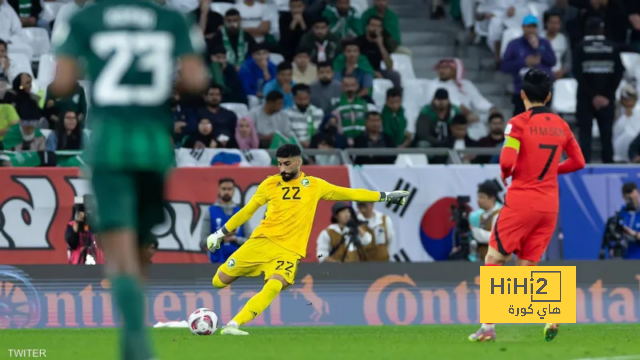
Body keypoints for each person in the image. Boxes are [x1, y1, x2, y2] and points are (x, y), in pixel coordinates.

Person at [51, 1, 208, 359]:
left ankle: (134, 337)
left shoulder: (86, 18)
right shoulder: (173, 19)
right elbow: (197, 80)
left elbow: (60, 83)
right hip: (154, 145)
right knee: (141, 246)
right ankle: (136, 338)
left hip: (109, 144)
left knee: (119, 248)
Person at [206, 143, 410, 335]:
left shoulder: (314, 185)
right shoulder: (269, 184)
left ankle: (234, 324)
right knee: (218, 281)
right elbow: (246, 212)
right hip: (260, 242)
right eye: (279, 164)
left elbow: (351, 193)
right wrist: (219, 234)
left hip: (288, 251)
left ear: (298, 162)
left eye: (286, 164)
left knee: (274, 285)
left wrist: (385, 195)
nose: (282, 169)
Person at [468, 69, 585, 343]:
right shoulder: (561, 125)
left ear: (522, 95)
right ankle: (549, 315)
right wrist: (552, 171)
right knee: (526, 266)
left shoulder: (517, 123)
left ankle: (487, 327)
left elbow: (507, 161)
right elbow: (579, 162)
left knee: (494, 259)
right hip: (548, 206)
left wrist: (508, 174)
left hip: (521, 201)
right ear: (548, 96)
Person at [573, 17, 623, 164]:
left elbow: (577, 73)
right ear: (601, 29)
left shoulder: (580, 46)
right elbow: (618, 73)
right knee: (607, 135)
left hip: (585, 99)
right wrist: (606, 96)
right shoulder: (613, 46)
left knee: (585, 135)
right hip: (607, 100)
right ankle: (608, 166)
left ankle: (583, 167)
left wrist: (593, 96)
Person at [500, 14, 556, 116]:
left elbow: (552, 61)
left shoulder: (544, 43)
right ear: (523, 27)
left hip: (542, 91)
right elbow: (504, 66)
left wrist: (537, 48)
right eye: (528, 27)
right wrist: (524, 62)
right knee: (521, 124)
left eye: (533, 27)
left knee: (541, 123)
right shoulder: (514, 44)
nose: (531, 30)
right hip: (522, 92)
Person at [200, 178, 251, 263]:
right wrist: (221, 238)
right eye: (224, 189)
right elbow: (203, 241)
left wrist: (235, 239)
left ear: (234, 191)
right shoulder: (210, 211)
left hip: (237, 264)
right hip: (215, 263)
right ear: (219, 190)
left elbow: (251, 240)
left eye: (229, 189)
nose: (226, 192)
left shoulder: (241, 212)